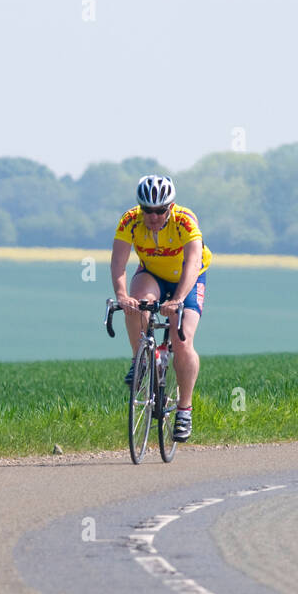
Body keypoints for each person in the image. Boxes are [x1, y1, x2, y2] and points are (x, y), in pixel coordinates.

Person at [111, 175, 212, 442]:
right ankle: (140, 359)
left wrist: (177, 299)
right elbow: (119, 263)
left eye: (159, 211)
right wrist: (121, 295)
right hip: (152, 274)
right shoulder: (130, 221)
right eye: (147, 210)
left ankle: (184, 410)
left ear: (171, 207)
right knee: (136, 303)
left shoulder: (185, 221)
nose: (153, 216)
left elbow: (192, 263)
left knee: (182, 340)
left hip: (188, 278)